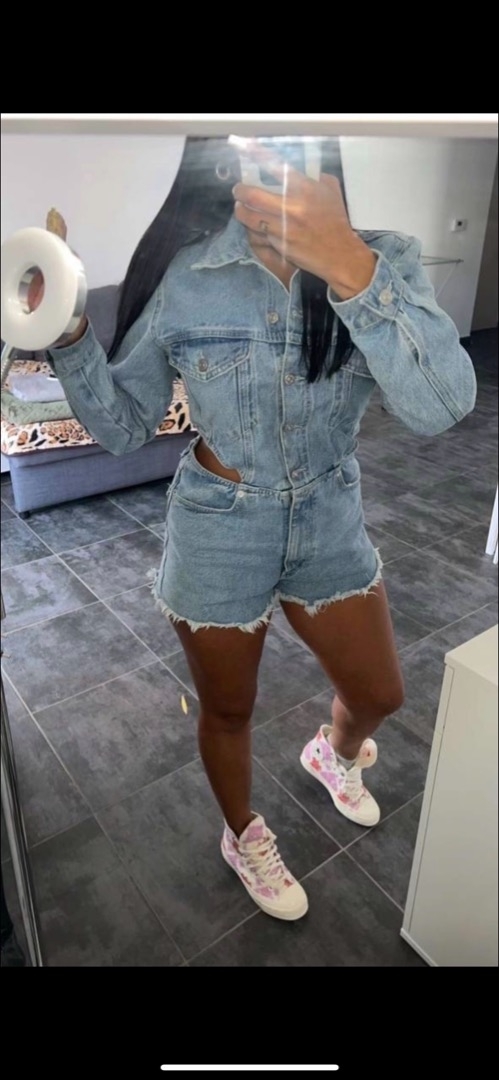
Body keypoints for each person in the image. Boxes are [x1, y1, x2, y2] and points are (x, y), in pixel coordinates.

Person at [39, 136, 476, 921]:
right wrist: (69, 332)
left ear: (321, 152)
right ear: (218, 160)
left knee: (378, 692)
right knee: (229, 710)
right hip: (219, 528)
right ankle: (241, 833)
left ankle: (332, 754)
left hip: (328, 518)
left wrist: (349, 266)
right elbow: (126, 426)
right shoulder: (186, 277)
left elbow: (439, 406)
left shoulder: (384, 260)